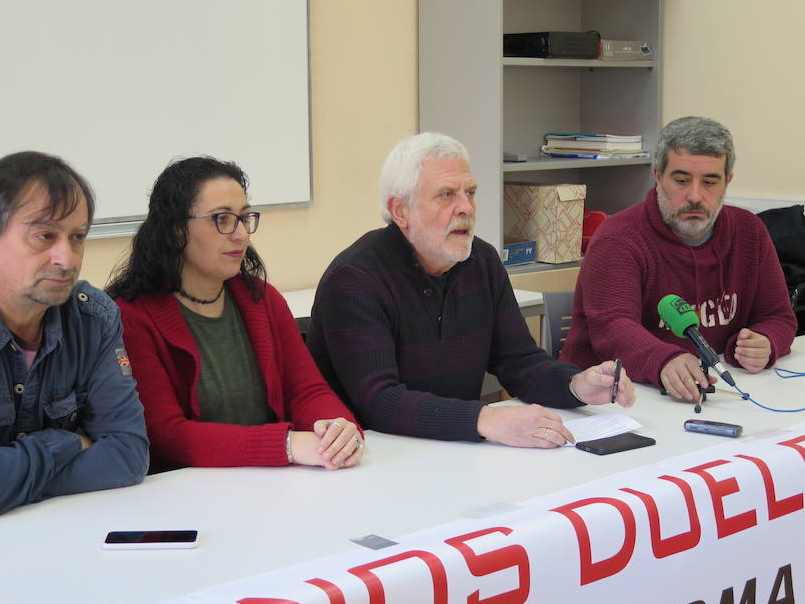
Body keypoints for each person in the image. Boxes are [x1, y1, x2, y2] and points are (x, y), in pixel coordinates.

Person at [306, 133, 634, 448]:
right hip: (375, 461)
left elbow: (519, 362)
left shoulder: (482, 260)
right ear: (400, 211)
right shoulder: (355, 279)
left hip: (454, 453)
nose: (466, 207)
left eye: (471, 193)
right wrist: (486, 419)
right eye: (446, 194)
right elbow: (378, 401)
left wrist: (575, 385)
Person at [0, 152, 149, 526]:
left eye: (78, 237)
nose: (66, 259)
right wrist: (69, 443)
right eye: (44, 236)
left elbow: (130, 455)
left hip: (43, 531)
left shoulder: (93, 316)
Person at [106, 156, 363, 472]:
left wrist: (336, 430)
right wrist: (287, 445)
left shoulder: (262, 299)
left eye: (244, 218)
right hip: (186, 495)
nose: (241, 234)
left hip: (272, 485)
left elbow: (307, 390)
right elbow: (168, 436)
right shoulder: (131, 316)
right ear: (175, 230)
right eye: (222, 219)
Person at [560, 116, 797, 401]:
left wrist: (766, 341)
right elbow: (613, 328)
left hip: (710, 393)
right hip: (607, 401)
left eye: (710, 182)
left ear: (728, 181)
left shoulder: (750, 231)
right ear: (658, 175)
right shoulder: (618, 238)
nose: (695, 196)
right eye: (681, 180)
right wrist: (665, 359)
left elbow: (778, 316)